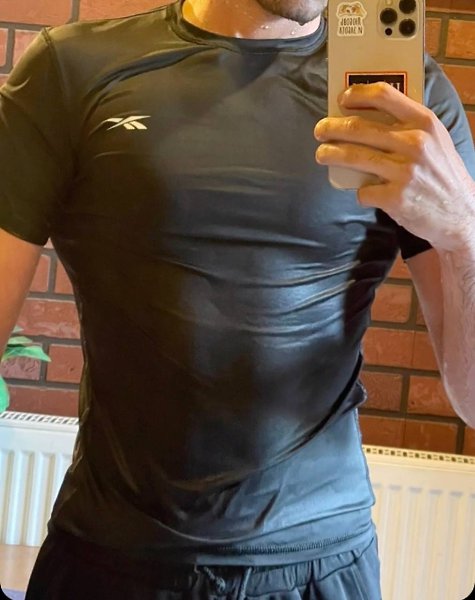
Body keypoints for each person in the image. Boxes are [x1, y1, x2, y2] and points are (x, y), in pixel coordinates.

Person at [0, 0, 474, 598]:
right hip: (113, 559)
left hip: (322, 565)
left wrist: (465, 230)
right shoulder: (71, 68)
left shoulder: (414, 104)